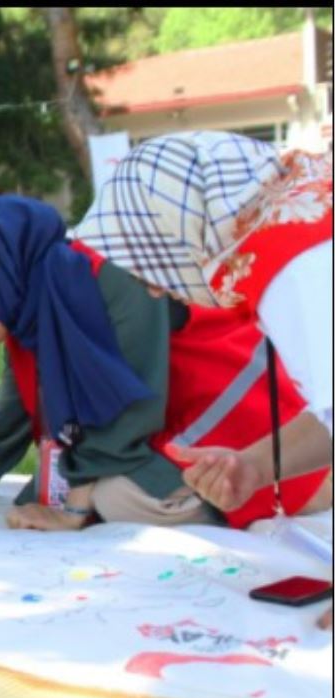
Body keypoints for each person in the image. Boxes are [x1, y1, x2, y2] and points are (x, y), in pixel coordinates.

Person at [0, 196, 329, 529]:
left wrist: (75, 508)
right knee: (65, 485)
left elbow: (132, 408)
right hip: (160, 434)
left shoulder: (108, 273)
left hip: (236, 426)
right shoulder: (27, 314)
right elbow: (2, 429)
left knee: (114, 494)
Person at [73, 131, 333, 509]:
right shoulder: (292, 239)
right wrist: (254, 467)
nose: (155, 290)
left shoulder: (294, 269)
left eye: (150, 262)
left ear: (183, 227)